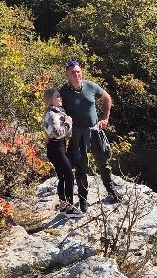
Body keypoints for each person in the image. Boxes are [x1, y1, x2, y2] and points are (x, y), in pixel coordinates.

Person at [58, 59, 120, 212]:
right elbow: (56, 110)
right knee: (81, 168)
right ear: (67, 74)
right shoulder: (63, 92)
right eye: (72, 72)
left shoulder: (91, 86)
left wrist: (105, 118)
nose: (76, 74)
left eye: (78, 71)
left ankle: (111, 190)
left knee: (103, 163)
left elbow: (107, 98)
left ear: (81, 72)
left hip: (94, 131)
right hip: (77, 134)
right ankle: (83, 199)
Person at [42, 88, 80, 216]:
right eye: (57, 96)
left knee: (63, 177)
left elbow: (66, 135)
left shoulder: (59, 112)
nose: (61, 98)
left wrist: (67, 123)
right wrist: (68, 123)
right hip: (56, 148)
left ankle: (63, 206)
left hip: (59, 147)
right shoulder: (52, 114)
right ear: (51, 100)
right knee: (69, 176)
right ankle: (69, 208)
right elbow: (58, 133)